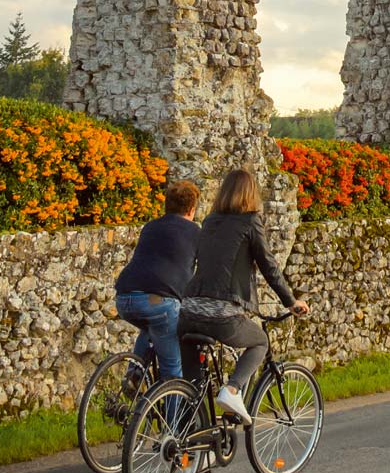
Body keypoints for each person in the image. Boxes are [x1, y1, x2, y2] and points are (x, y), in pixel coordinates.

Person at [179, 167, 308, 424]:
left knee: (192, 388)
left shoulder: (209, 221)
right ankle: (233, 389)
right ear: (251, 194)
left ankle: (189, 448)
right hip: (222, 314)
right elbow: (269, 266)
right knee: (260, 341)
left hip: (188, 311)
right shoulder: (250, 222)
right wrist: (291, 302)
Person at [114, 178, 202, 381]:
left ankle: (135, 372)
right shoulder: (195, 232)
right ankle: (174, 412)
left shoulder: (150, 227)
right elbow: (203, 270)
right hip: (160, 301)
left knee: (152, 327)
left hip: (125, 297)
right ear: (191, 209)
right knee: (173, 370)